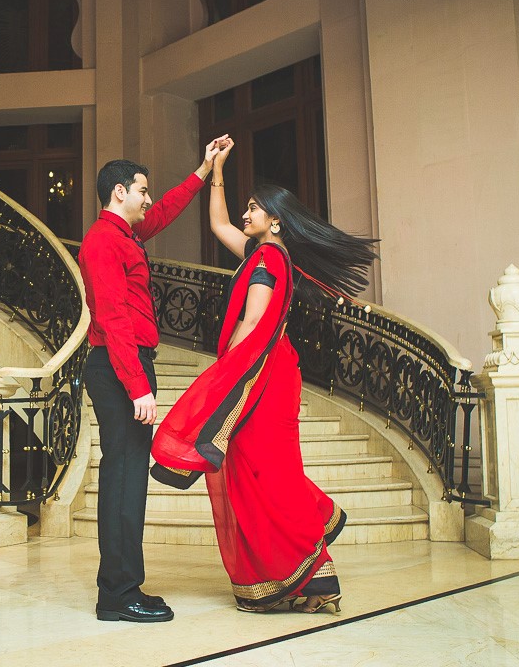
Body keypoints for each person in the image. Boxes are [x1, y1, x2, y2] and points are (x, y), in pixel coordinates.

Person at [151, 138, 377, 614]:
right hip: (267, 373)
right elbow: (216, 222)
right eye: (248, 206)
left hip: (264, 378)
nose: (246, 213)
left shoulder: (270, 259)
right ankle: (298, 577)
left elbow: (252, 323)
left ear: (276, 220)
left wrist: (226, 378)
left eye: (254, 208)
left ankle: (317, 574)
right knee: (256, 473)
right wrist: (217, 170)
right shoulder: (260, 253)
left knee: (268, 474)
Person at [79, 140, 227, 623]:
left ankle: (124, 587)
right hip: (119, 367)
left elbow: (162, 212)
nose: (149, 198)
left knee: (128, 480)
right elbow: (113, 318)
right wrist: (137, 384)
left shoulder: (125, 235)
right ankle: (118, 595)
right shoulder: (102, 241)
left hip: (129, 364)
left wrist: (204, 169)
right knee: (122, 481)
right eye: (142, 190)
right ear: (120, 191)